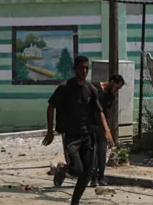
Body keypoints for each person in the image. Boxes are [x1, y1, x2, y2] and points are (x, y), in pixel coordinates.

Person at [44, 56, 115, 205]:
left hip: (87, 135)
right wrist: (50, 131)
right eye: (81, 68)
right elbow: (51, 107)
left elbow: (99, 111)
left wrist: (107, 130)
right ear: (75, 69)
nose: (84, 71)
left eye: (86, 68)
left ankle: (74, 202)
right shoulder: (65, 88)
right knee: (77, 170)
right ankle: (64, 169)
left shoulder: (91, 89)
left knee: (88, 172)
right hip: (71, 136)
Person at [91, 74, 125, 187]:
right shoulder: (95, 88)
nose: (116, 90)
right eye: (116, 86)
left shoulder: (111, 96)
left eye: (118, 89)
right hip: (91, 124)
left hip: (103, 126)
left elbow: (108, 113)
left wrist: (108, 128)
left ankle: (101, 177)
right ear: (111, 81)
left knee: (102, 152)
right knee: (93, 151)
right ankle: (93, 177)